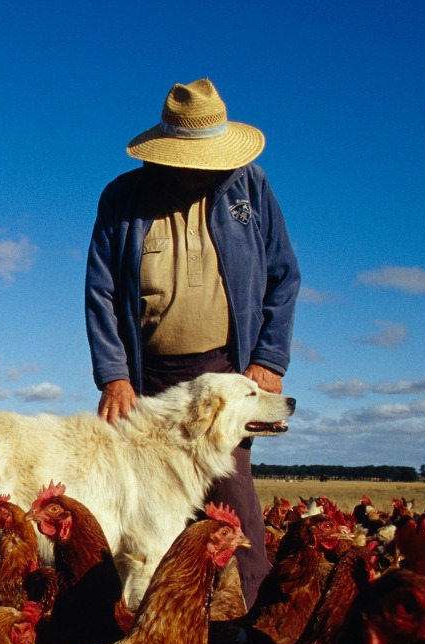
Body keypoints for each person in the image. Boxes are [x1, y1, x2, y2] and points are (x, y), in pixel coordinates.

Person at [84, 78, 300, 607]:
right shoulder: (122, 198)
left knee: (233, 493)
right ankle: (153, 618)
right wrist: (114, 376)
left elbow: (284, 276)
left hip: (227, 372)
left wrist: (269, 359)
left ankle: (248, 618)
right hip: (150, 378)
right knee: (147, 498)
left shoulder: (250, 187)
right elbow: (101, 293)